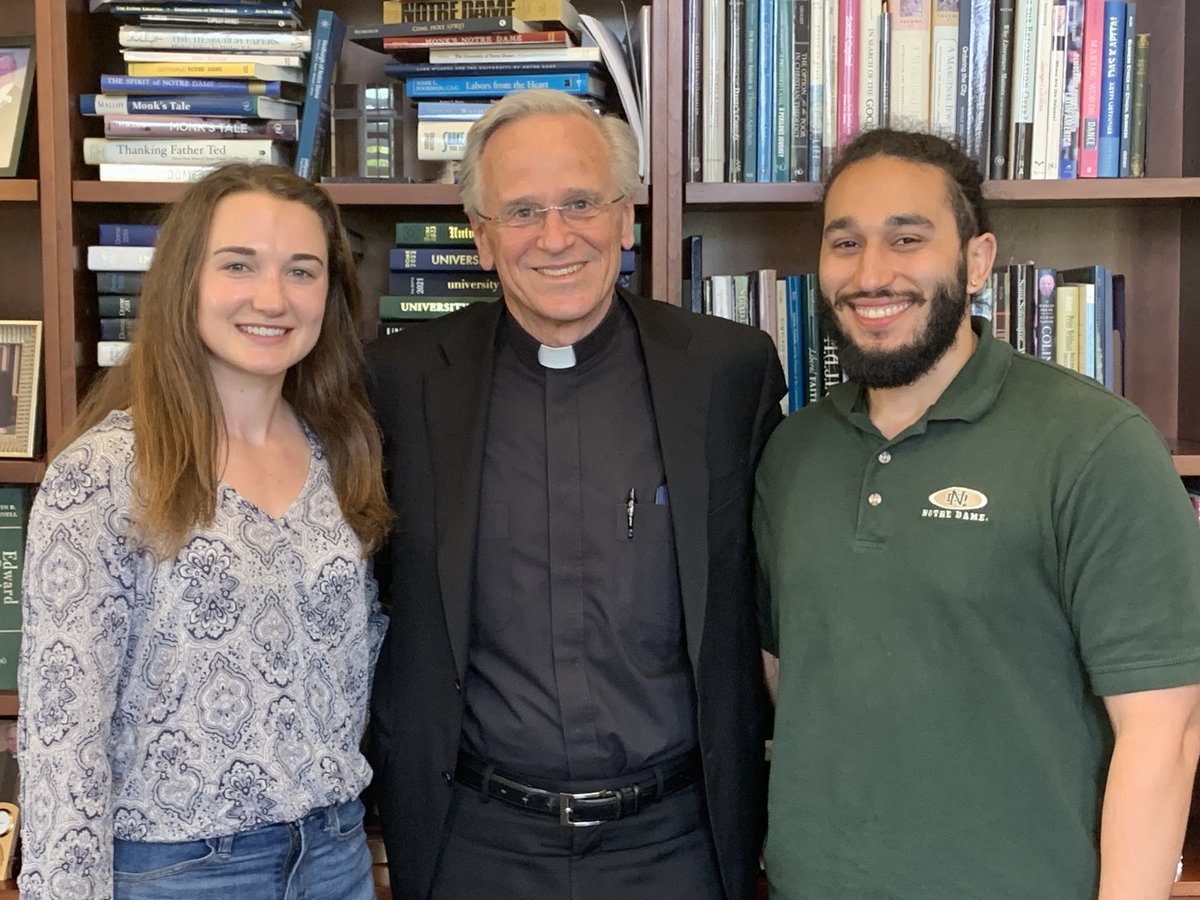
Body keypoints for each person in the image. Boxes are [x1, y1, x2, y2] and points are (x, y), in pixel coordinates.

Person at [753, 128, 1200, 899]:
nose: (872, 272)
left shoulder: (1095, 445)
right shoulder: (792, 454)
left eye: (908, 238)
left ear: (978, 260)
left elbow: (1164, 735)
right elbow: (790, 674)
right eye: (846, 242)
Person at [367, 89, 787, 900]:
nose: (555, 238)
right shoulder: (400, 383)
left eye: (581, 203)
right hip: (473, 841)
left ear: (625, 218)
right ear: (482, 239)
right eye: (521, 211)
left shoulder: (728, 371)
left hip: (680, 841)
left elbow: (776, 585)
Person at [18, 163, 392, 900]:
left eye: (302, 271)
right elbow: (63, 734)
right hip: (177, 873)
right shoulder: (106, 472)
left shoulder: (343, 452)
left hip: (335, 856)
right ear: (186, 279)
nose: (272, 298)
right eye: (238, 265)